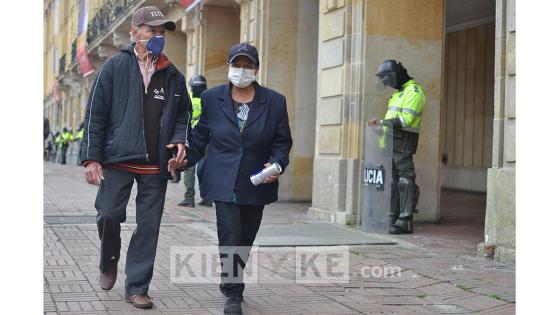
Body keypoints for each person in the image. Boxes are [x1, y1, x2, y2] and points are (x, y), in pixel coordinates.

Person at [80, 6, 191, 309]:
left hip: (155, 163)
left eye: (161, 32)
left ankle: (137, 286)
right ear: (134, 33)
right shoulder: (114, 67)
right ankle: (109, 259)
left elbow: (183, 115)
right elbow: (95, 115)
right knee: (108, 214)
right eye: (152, 30)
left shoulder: (172, 75)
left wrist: (180, 140)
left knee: (149, 225)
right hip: (117, 158)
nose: (158, 36)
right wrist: (92, 158)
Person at [176, 43, 292, 315]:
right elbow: (200, 137)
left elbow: (282, 141)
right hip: (222, 179)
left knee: (245, 239)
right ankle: (233, 292)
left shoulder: (275, 101)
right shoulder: (211, 98)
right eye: (237, 65)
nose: (242, 70)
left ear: (256, 69)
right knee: (230, 235)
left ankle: (231, 278)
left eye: (247, 66)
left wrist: (277, 164)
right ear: (229, 67)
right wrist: (182, 161)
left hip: (256, 180)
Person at [367, 59, 425, 234]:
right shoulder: (397, 95)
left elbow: (407, 120)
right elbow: (391, 124)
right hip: (391, 143)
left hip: (404, 142)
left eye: (387, 79)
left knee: (405, 180)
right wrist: (378, 129)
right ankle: (392, 216)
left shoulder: (414, 92)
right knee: (392, 181)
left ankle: (405, 220)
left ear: (396, 76)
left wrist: (381, 122)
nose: (386, 83)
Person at [177, 74, 213, 207]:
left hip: (193, 139)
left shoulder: (189, 99)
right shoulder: (210, 100)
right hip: (208, 139)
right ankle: (208, 198)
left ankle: (189, 197)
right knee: (207, 169)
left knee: (189, 168)